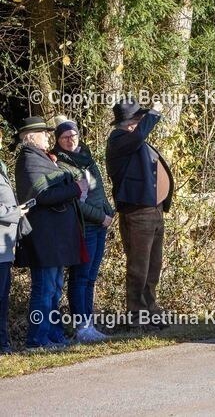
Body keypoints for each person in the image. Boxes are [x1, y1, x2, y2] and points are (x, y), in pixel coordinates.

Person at [14, 116, 84, 350]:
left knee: (54, 288)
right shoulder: (28, 160)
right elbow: (42, 196)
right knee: (44, 289)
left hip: (55, 237)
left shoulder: (42, 158)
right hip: (44, 236)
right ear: (32, 137)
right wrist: (75, 188)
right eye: (44, 133)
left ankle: (54, 334)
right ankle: (37, 338)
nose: (48, 137)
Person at [105, 100, 174, 330]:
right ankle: (135, 315)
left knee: (153, 266)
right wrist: (154, 113)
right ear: (128, 123)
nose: (140, 123)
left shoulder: (134, 141)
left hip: (154, 210)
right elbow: (138, 137)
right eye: (137, 119)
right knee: (138, 267)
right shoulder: (118, 140)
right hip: (137, 212)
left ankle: (151, 310)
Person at [54, 119, 114, 342]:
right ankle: (80, 325)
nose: (70, 140)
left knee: (90, 278)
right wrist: (101, 217)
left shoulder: (87, 159)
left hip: (100, 225)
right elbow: (75, 201)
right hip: (84, 226)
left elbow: (99, 191)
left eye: (74, 136)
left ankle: (89, 324)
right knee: (80, 277)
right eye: (65, 137)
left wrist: (109, 210)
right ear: (58, 141)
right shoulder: (61, 165)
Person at [0, 126, 23, 354]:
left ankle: (4, 343)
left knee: (3, 297)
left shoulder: (1, 167)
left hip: (5, 246)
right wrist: (15, 211)